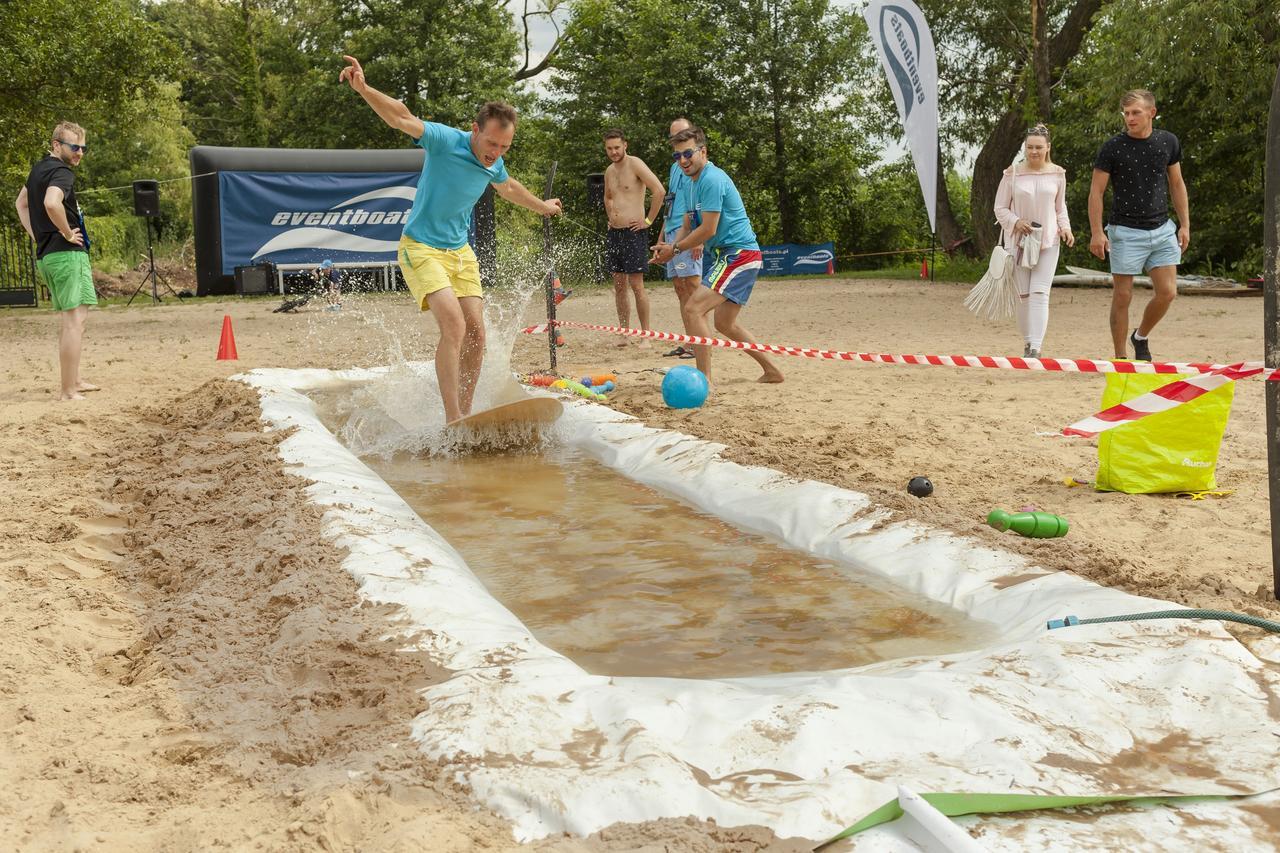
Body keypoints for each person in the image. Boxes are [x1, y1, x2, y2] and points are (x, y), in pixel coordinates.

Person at [339, 55, 562, 423]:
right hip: (421, 248)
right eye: (492, 143)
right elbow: (401, 115)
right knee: (454, 326)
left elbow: (508, 188)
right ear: (474, 129)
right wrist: (364, 89)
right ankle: (453, 417)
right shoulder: (445, 140)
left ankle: (467, 411)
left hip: (460, 253)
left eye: (505, 147)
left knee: (477, 332)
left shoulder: (494, 163)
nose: (496, 153)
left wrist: (542, 207)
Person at [650, 127, 783, 386]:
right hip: (730, 254)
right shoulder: (690, 182)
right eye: (677, 156)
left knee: (693, 308)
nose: (683, 160)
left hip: (739, 255)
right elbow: (689, 224)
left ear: (703, 151)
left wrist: (674, 250)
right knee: (724, 323)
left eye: (687, 153)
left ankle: (704, 380)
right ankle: (773, 371)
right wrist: (668, 247)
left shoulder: (712, 179)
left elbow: (708, 229)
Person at [1088, 89, 1189, 362]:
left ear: (1151, 113)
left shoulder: (1168, 142)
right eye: (1126, 113)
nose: (1129, 118)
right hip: (1125, 231)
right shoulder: (1113, 147)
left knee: (1168, 293)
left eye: (1136, 113)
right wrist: (1097, 232)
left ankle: (1140, 336)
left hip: (1162, 228)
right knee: (1123, 296)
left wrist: (1184, 225)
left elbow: (1177, 184)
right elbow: (1096, 192)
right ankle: (1121, 359)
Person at [14, 121, 99, 401]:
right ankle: (68, 390)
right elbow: (52, 203)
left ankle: (74, 380)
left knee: (75, 318)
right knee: (73, 322)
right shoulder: (61, 172)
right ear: (56, 146)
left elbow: (21, 204)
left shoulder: (38, 170)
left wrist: (37, 235)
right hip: (66, 254)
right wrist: (64, 231)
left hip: (52, 255)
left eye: (83, 148)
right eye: (74, 147)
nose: (80, 153)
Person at [993, 124, 1074, 358]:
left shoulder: (1058, 173)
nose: (1034, 151)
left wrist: (1065, 228)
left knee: (1040, 292)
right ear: (1025, 148)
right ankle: (1028, 341)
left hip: (1048, 240)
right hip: (1019, 241)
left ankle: (1036, 347)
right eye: (1030, 147)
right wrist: (1016, 221)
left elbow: (1060, 207)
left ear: (1047, 147)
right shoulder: (1012, 173)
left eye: (1039, 147)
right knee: (1023, 294)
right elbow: (999, 207)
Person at [603, 129, 664, 346]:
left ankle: (645, 335)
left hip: (634, 233)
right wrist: (611, 215)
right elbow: (608, 196)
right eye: (609, 148)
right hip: (614, 233)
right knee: (619, 285)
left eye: (617, 147)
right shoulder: (609, 170)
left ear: (625, 145)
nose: (613, 152)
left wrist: (648, 221)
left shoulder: (636, 164)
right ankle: (624, 332)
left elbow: (659, 191)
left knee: (637, 285)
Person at [661, 117, 702, 358]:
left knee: (694, 287)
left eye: (682, 135)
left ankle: (701, 343)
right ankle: (689, 341)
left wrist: (699, 238)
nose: (677, 141)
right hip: (672, 229)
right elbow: (671, 199)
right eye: (673, 137)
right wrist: (663, 231)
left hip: (690, 231)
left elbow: (700, 204)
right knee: (680, 287)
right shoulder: (675, 166)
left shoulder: (698, 167)